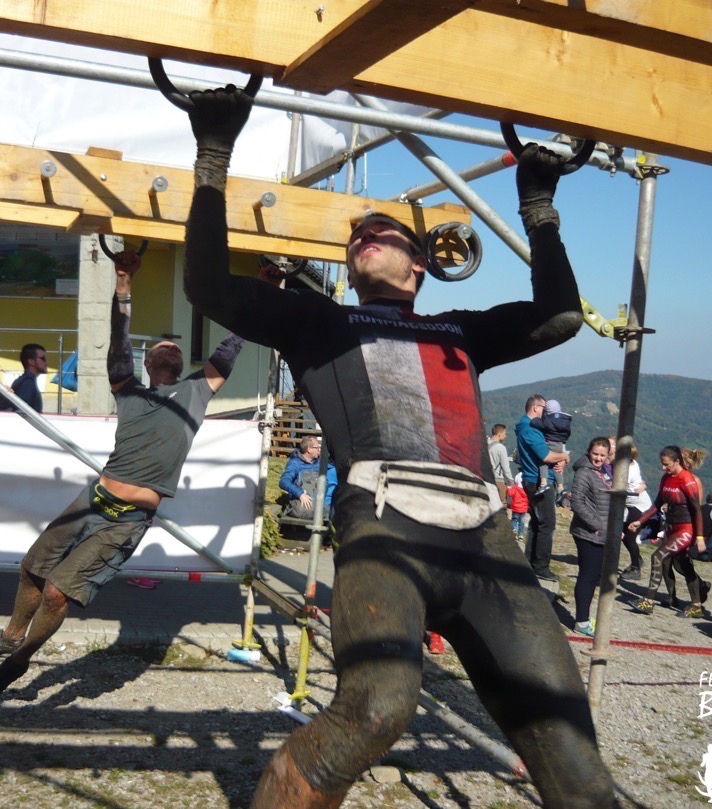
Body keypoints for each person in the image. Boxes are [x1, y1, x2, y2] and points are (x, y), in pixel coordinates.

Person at [179, 83, 613, 809]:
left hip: (485, 536)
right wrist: (212, 157)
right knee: (376, 709)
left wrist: (538, 209)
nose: (363, 236)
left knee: (573, 751)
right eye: (356, 238)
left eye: (380, 232)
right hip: (383, 522)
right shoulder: (317, 323)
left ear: (419, 264)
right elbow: (206, 285)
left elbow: (561, 314)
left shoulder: (461, 330)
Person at [0, 252, 244, 699]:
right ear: (147, 363)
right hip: (92, 500)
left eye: (175, 347)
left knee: (57, 593)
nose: (169, 348)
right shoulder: (128, 389)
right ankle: (11, 635)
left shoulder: (196, 392)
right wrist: (123, 284)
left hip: (126, 520)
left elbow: (229, 349)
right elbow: (119, 338)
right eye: (161, 347)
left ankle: (19, 661)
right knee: (32, 568)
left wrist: (270, 291)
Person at [627, 446, 707, 618]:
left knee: (657, 556)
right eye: (662, 464)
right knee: (682, 564)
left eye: (667, 464)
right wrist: (640, 521)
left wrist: (699, 537)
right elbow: (657, 504)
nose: (663, 468)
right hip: (671, 527)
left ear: (677, 462)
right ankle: (696, 604)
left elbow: (697, 510)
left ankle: (648, 602)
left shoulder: (687, 480)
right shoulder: (666, 478)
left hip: (685, 529)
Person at [516, 394, 570, 582]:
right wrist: (565, 457)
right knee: (547, 524)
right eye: (544, 409)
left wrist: (560, 460)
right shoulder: (530, 430)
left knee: (537, 523)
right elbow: (546, 456)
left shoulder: (525, 427)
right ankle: (541, 566)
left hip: (532, 479)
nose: (547, 413)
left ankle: (530, 561)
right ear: (535, 408)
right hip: (538, 481)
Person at [568, 437, 613, 637]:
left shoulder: (603, 472)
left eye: (602, 455)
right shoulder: (584, 473)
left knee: (593, 575)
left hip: (599, 532)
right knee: (587, 576)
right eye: (595, 454)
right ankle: (582, 621)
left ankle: (584, 618)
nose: (598, 458)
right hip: (588, 533)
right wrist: (596, 525)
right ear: (589, 452)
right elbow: (577, 502)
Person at [618, 443, 651, 581]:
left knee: (629, 537)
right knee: (624, 535)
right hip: (634, 504)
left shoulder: (627, 470)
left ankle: (636, 568)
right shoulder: (633, 464)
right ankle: (637, 559)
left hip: (639, 505)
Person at [530, 398, 572, 493]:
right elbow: (568, 433)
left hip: (550, 443)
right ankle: (560, 486)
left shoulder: (548, 420)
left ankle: (543, 482)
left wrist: (535, 419)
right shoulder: (565, 421)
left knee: (544, 462)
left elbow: (537, 423)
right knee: (557, 466)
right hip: (560, 445)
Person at [11, 343, 47, 412]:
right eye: (43, 358)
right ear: (31, 362)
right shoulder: (27, 383)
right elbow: (22, 412)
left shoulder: (24, 381)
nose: (46, 363)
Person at [487, 423, 514, 503]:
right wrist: (511, 482)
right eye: (504, 433)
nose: (505, 436)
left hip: (485, 479)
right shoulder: (500, 447)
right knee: (501, 504)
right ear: (499, 434)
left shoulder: (484, 444)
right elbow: (506, 467)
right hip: (498, 480)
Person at [505, 472, 529, 541]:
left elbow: (510, 494)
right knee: (522, 522)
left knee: (514, 519)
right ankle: (520, 535)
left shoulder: (515, 487)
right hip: (523, 509)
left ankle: (514, 528)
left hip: (516, 508)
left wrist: (509, 488)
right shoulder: (526, 489)